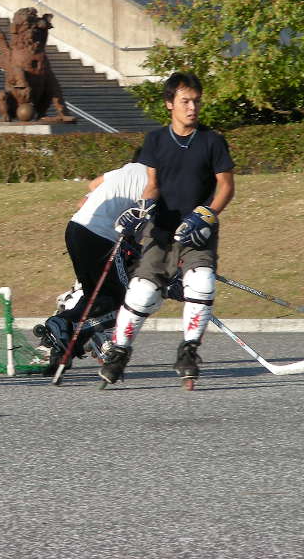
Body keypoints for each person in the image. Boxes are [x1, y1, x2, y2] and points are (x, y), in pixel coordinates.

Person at [101, 71, 235, 388]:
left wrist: (207, 215)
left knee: (201, 283)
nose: (192, 107)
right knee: (142, 293)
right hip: (159, 230)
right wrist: (139, 212)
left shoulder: (212, 141)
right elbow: (152, 186)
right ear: (169, 104)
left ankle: (188, 353)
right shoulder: (156, 140)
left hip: (198, 231)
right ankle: (119, 352)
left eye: (196, 101)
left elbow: (226, 187)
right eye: (185, 101)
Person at [33, 157, 148, 375]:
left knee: (96, 297)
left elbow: (92, 188)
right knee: (125, 302)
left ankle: (62, 350)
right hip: (100, 237)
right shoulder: (157, 180)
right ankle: (62, 323)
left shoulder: (127, 170)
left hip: (76, 229)